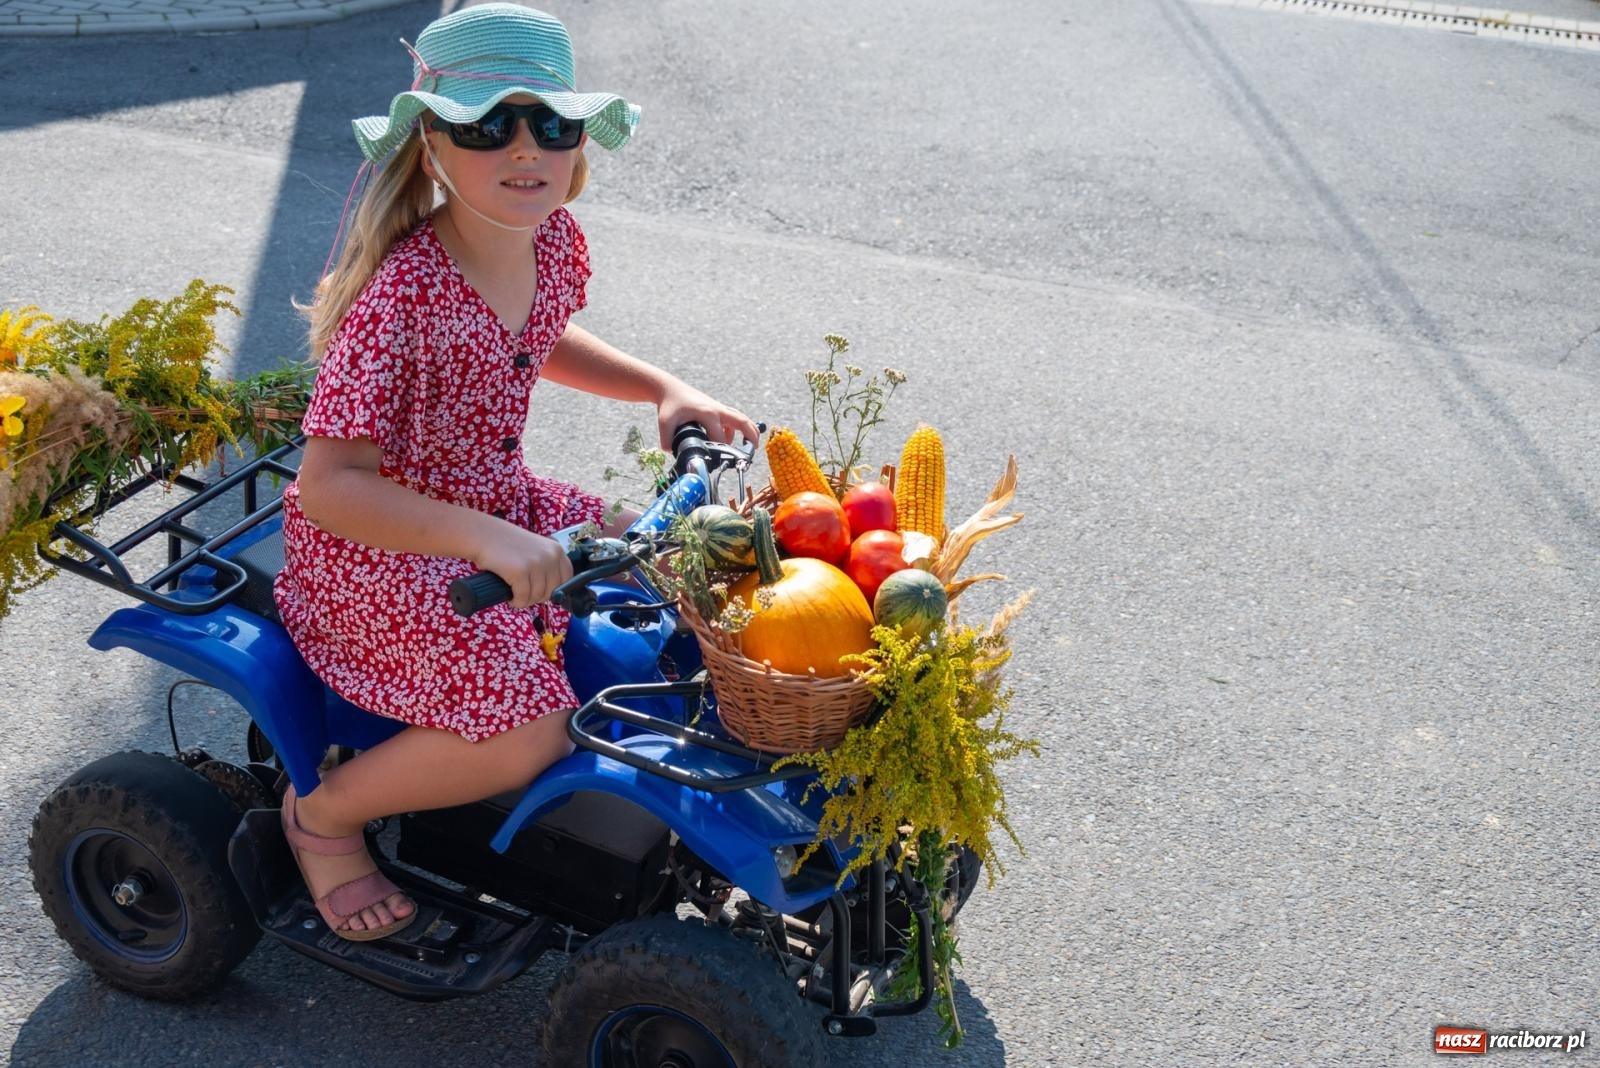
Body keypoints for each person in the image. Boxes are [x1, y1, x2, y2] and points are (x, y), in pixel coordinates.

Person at [272, 3, 758, 942]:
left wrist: (660, 388)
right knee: (527, 730)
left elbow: (537, 337)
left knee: (672, 558)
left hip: (492, 510)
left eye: (553, 123)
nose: (525, 146)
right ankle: (325, 817)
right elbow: (331, 482)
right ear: (431, 151)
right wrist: (488, 536)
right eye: (489, 126)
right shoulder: (397, 296)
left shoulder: (551, 245)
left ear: (579, 147)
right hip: (377, 554)